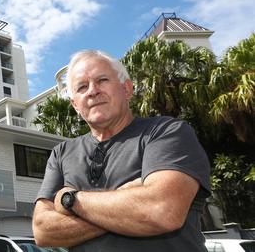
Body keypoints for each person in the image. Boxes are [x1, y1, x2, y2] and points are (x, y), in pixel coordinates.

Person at [33, 50, 211, 251]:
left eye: (102, 80)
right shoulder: (61, 152)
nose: (93, 91)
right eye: (82, 87)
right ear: (75, 104)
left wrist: (70, 199)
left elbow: (160, 210)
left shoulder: (165, 132)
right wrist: (127, 203)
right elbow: (42, 231)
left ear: (126, 89)